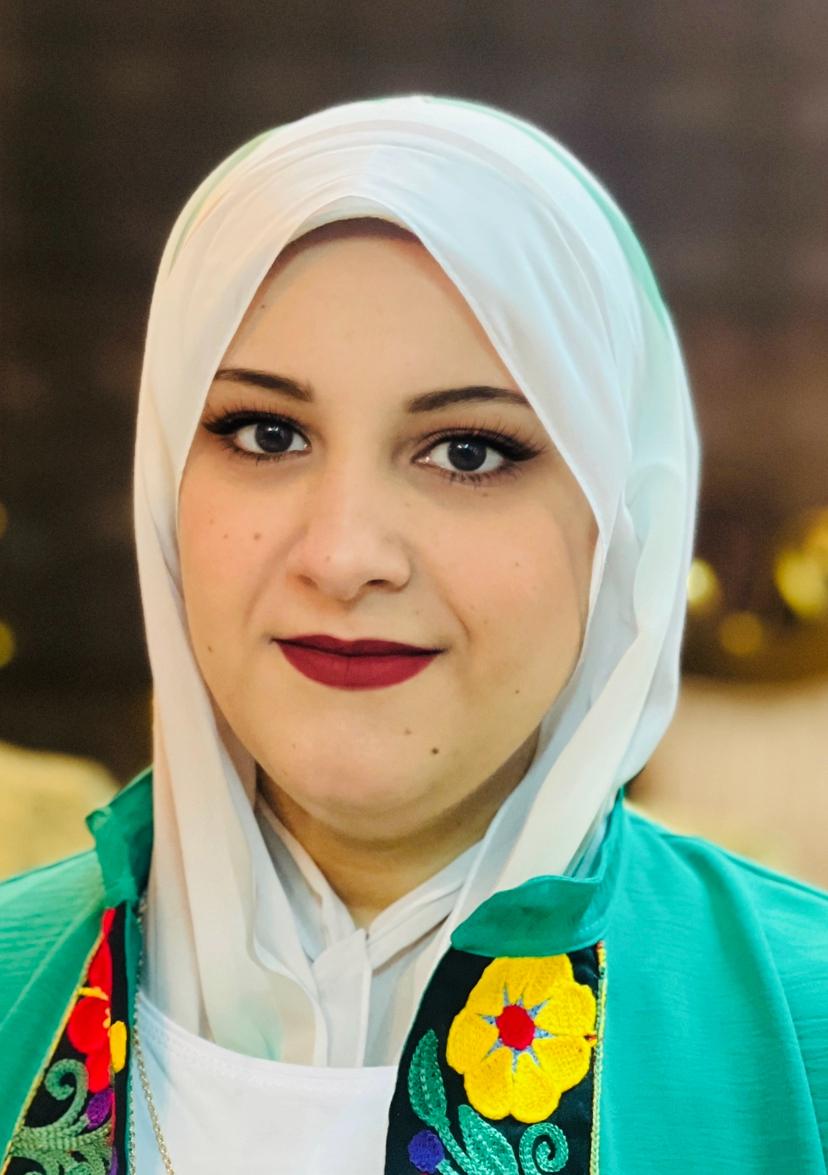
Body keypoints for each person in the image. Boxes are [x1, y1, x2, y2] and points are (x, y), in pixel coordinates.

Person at [1, 93, 825, 1175]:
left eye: (468, 451)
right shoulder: (16, 986)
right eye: (267, 432)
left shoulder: (800, 1027)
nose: (345, 555)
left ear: (618, 525)